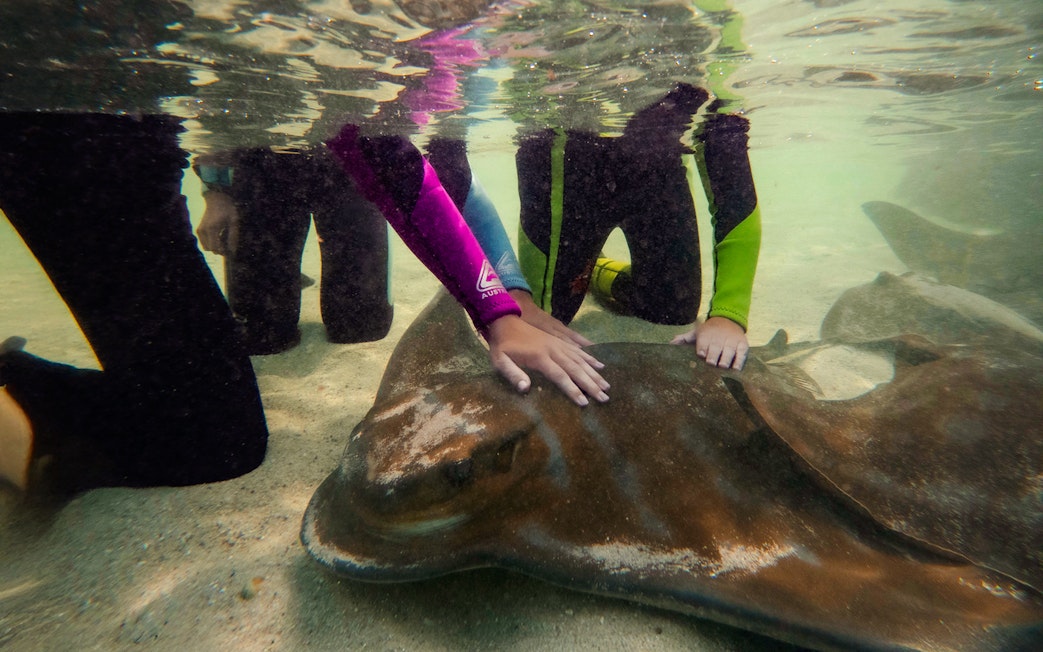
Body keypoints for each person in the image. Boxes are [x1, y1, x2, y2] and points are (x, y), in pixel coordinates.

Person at [0, 112, 269, 497]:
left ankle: (21, 387)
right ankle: (13, 392)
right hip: (78, 151)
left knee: (222, 434)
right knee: (217, 440)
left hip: (131, 154)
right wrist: (215, 185)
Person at [193, 146, 394, 355]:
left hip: (345, 162)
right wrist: (216, 191)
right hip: (262, 166)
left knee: (363, 325)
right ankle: (278, 279)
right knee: (260, 333)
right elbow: (215, 119)